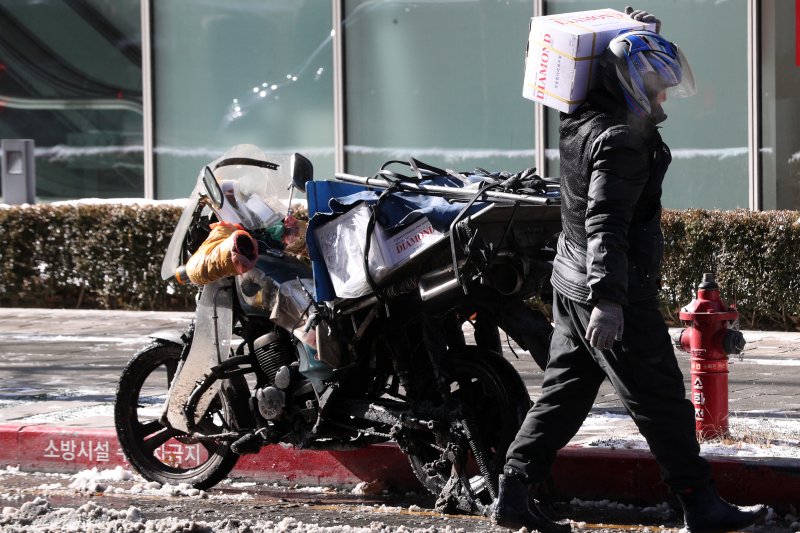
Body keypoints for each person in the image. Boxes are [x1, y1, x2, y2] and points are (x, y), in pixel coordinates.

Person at [491, 8, 767, 533]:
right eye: (658, 90)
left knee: (563, 395)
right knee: (661, 400)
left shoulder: (580, 118)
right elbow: (606, 223)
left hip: (571, 282)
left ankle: (513, 491)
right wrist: (610, 302)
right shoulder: (621, 140)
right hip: (610, 289)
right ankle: (700, 503)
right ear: (633, 85)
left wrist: (639, 38)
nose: (664, 100)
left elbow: (606, 75)